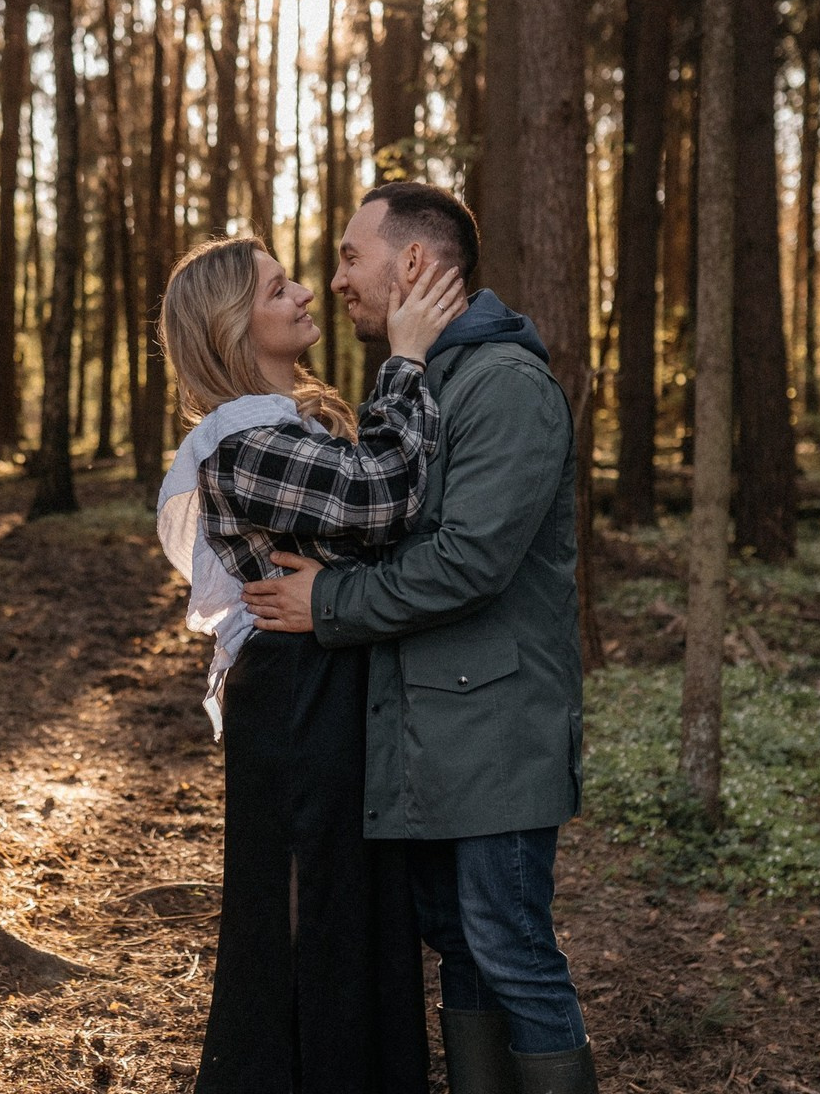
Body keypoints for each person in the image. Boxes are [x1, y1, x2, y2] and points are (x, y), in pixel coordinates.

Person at [242, 182, 600, 1094]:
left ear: (411, 263)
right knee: (465, 949)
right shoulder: (425, 383)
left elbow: (469, 562)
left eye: (350, 257)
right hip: (432, 731)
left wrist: (331, 602)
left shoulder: (505, 388)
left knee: (510, 949)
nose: (336, 282)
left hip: (498, 732)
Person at [156, 235, 467, 1094]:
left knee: (351, 908)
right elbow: (382, 496)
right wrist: (406, 358)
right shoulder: (240, 438)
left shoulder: (289, 423)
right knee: (306, 913)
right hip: (297, 694)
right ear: (231, 327)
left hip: (325, 677)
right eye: (277, 288)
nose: (303, 295)